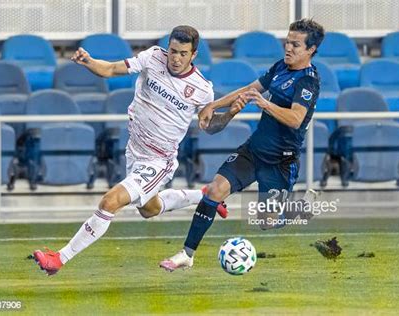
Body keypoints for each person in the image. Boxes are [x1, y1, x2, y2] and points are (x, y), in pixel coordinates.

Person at [32, 25, 239, 276]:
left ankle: (59, 259)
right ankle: (205, 195)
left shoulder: (202, 88)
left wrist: (228, 114)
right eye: (173, 51)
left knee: (110, 202)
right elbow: (110, 69)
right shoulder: (152, 57)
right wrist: (89, 62)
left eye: (183, 53)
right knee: (149, 210)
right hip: (135, 151)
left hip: (159, 160)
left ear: (193, 55)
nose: (175, 58)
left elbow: (209, 126)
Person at [159, 18, 325, 272]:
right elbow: (249, 89)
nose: (288, 48)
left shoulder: (308, 82)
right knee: (215, 190)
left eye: (295, 45)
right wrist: (213, 105)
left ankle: (299, 210)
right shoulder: (281, 67)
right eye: (287, 42)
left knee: (266, 222)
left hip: (280, 162)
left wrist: (266, 104)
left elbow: (296, 119)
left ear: (311, 49)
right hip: (253, 151)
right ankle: (187, 254)